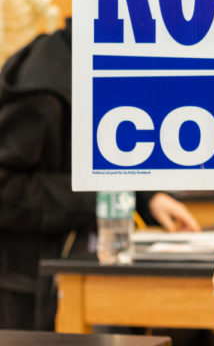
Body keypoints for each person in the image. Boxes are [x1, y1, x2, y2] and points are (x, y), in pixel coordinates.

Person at [0, 18, 201, 330]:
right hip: (29, 285)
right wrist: (107, 194)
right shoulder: (45, 90)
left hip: (81, 264)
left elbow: (97, 156)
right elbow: (6, 190)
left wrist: (149, 198)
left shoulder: (95, 67)